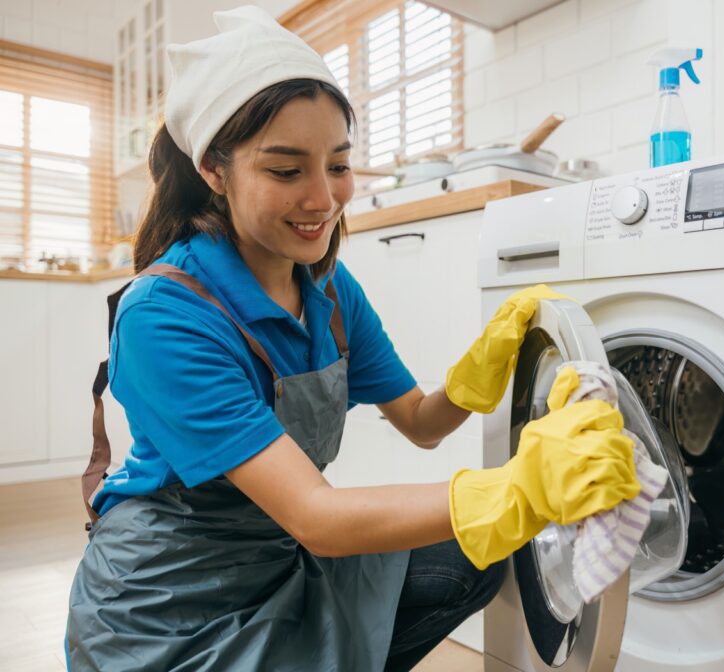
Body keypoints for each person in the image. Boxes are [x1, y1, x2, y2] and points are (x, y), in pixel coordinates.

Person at [65, 6, 639, 671]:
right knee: (485, 520)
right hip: (168, 608)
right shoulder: (167, 316)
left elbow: (422, 424)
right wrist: (520, 486)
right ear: (214, 171)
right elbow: (317, 516)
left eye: (338, 165)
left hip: (280, 558)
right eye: (286, 171)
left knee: (482, 555)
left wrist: (482, 369)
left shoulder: (330, 294)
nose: (323, 198)